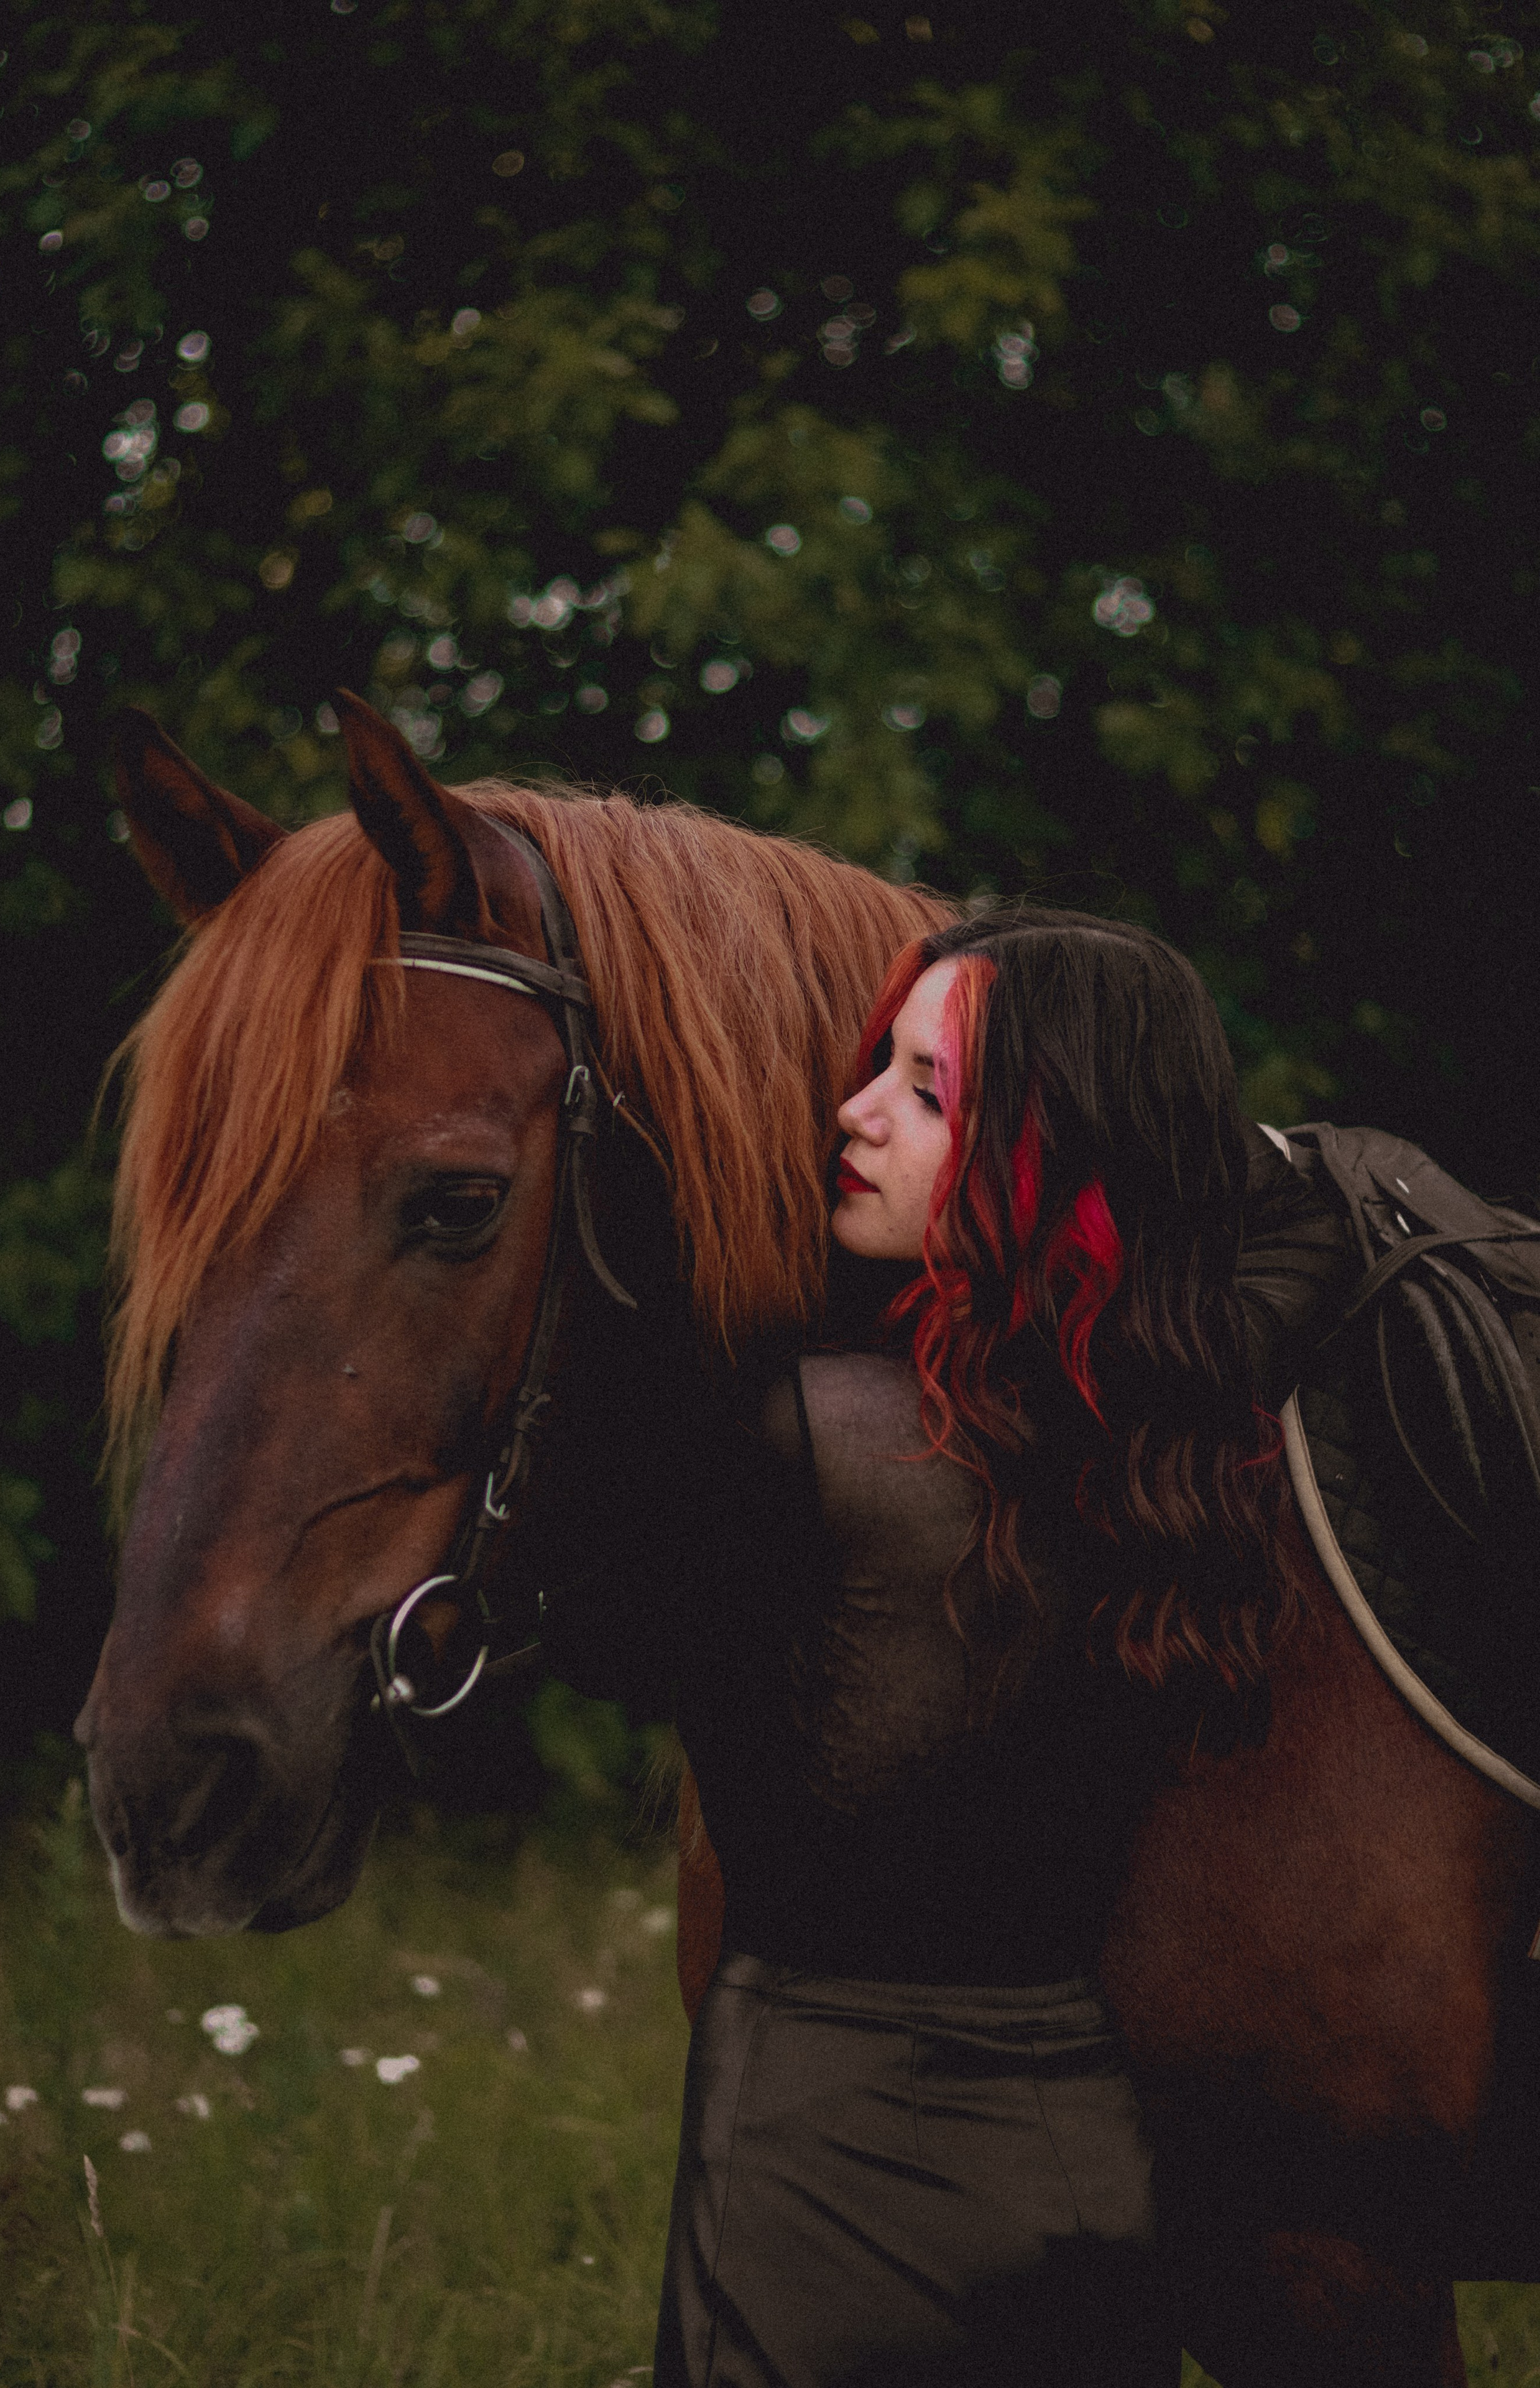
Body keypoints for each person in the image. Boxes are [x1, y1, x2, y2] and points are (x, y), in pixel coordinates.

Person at [545, 904, 1351, 2388]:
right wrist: (1152, 1128)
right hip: (1079, 2179)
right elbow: (1306, 1219)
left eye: (926, 1093)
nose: (848, 1115)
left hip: (806, 2168)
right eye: (880, 1068)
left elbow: (594, 1626)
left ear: (1050, 1155)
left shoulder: (798, 1432)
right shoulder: (1172, 1418)